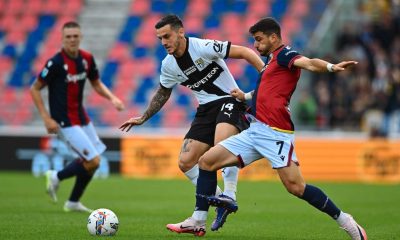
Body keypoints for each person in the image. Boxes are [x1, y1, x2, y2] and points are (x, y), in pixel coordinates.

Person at [166, 17, 368, 240]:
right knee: (206, 162)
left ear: (274, 38)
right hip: (256, 130)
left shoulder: (285, 55)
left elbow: (309, 63)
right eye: (254, 40)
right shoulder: (271, 63)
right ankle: (198, 220)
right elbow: (267, 92)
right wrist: (245, 96)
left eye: (259, 40)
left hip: (276, 134)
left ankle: (346, 220)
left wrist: (331, 67)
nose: (256, 45)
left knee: (296, 187)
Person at [119, 14, 264, 231]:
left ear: (180, 32)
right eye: (159, 38)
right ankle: (218, 203)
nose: (164, 42)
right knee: (186, 162)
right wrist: (144, 117)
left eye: (167, 36)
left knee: (220, 148)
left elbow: (244, 52)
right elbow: (163, 92)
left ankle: (229, 194)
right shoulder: (168, 65)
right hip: (206, 109)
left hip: (229, 100)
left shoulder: (202, 47)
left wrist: (266, 74)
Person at [30, 21, 125, 212]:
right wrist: (46, 118)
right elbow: (35, 88)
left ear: (80, 37)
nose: (72, 39)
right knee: (94, 161)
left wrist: (112, 98)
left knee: (93, 163)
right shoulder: (55, 63)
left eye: (75, 36)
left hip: (81, 116)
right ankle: (56, 176)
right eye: (68, 37)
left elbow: (96, 83)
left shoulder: (86, 59)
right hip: (63, 120)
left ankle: (73, 202)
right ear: (62, 39)